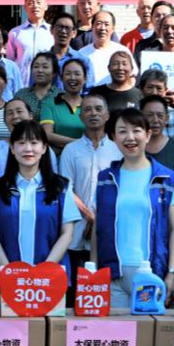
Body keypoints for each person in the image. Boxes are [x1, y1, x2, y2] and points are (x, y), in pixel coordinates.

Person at [93, 108, 174, 310]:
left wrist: (173, 272)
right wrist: (93, 270)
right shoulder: (105, 178)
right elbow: (98, 226)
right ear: (114, 137)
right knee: (116, 329)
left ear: (148, 134)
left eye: (137, 130)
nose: (130, 137)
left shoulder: (166, 178)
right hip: (112, 273)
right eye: (122, 131)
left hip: (152, 272)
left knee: (150, 329)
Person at [0, 120, 80, 274]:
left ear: (44, 148)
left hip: (50, 276)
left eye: (34, 143)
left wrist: (44, 270)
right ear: (12, 148)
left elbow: (67, 233)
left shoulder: (60, 187)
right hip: (7, 276)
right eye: (21, 143)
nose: (28, 149)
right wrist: (8, 270)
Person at [58, 93, 121, 290]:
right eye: (87, 109)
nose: (93, 113)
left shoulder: (118, 150)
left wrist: (98, 220)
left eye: (98, 109)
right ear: (80, 117)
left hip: (109, 228)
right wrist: (90, 217)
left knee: (103, 286)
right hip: (76, 228)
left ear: (107, 115)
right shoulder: (71, 150)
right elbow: (66, 188)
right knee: (75, 286)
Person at [0, 98, 58, 220]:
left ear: (30, 116)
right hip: (4, 214)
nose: (15, 116)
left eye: (19, 111)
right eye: (10, 113)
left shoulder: (44, 150)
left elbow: (53, 184)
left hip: (42, 213)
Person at [78, 11, 135, 88]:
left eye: (106, 24)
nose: (102, 28)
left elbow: (131, 77)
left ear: (113, 28)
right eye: (99, 23)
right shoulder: (82, 53)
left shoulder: (122, 51)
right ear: (92, 27)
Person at [41, 58, 88, 150]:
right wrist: (78, 143)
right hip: (57, 157)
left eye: (77, 74)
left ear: (85, 79)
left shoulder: (89, 106)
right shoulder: (50, 103)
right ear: (61, 78)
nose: (72, 77)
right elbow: (47, 134)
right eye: (68, 74)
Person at [7, 0, 53, 83]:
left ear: (46, 6)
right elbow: (9, 63)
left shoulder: (53, 32)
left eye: (39, 2)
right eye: (31, 3)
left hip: (47, 85)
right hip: (22, 85)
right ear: (25, 7)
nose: (35, 6)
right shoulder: (15, 33)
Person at [140, 95, 174, 177]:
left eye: (160, 115)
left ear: (167, 118)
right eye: (149, 115)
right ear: (141, 117)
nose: (155, 120)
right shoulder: (133, 147)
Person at [13, 52, 61, 121]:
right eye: (36, 66)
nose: (40, 70)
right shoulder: (21, 95)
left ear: (54, 72)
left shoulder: (61, 96)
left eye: (45, 67)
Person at [47, 12, 87, 88]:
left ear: (74, 33)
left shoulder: (83, 61)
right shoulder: (42, 61)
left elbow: (88, 91)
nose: (63, 31)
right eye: (60, 27)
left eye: (67, 28)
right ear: (51, 30)